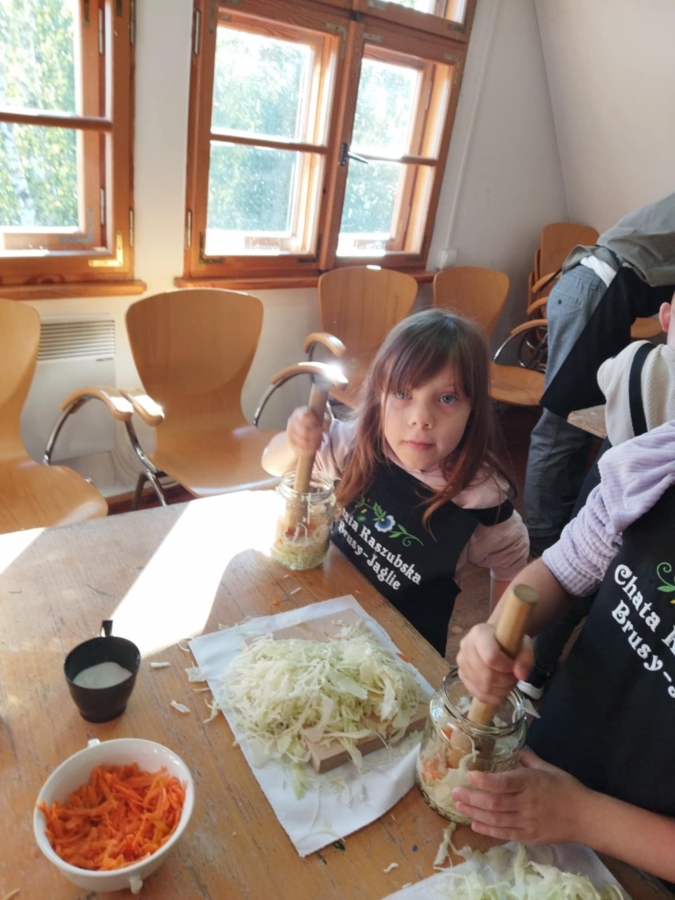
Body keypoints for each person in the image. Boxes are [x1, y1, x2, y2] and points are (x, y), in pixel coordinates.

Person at [453, 420, 675, 888]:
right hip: (544, 780)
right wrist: (497, 630)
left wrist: (583, 816)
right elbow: (560, 570)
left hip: (642, 870)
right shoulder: (662, 462)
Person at [262, 309, 529, 656]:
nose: (421, 419)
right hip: (328, 621)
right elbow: (271, 464)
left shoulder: (479, 500)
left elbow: (512, 558)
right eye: (403, 394)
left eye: (447, 398)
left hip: (403, 657)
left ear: (473, 409)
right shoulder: (356, 445)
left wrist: (498, 633)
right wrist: (294, 442)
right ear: (380, 396)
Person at [518, 295, 675, 699]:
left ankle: (536, 673)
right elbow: (567, 566)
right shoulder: (662, 453)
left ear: (664, 317)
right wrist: (501, 628)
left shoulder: (638, 364)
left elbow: (606, 374)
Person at [525, 191, 675, 557]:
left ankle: (563, 531)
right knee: (562, 424)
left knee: (580, 422)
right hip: (599, 288)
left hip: (596, 289)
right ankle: (542, 540)